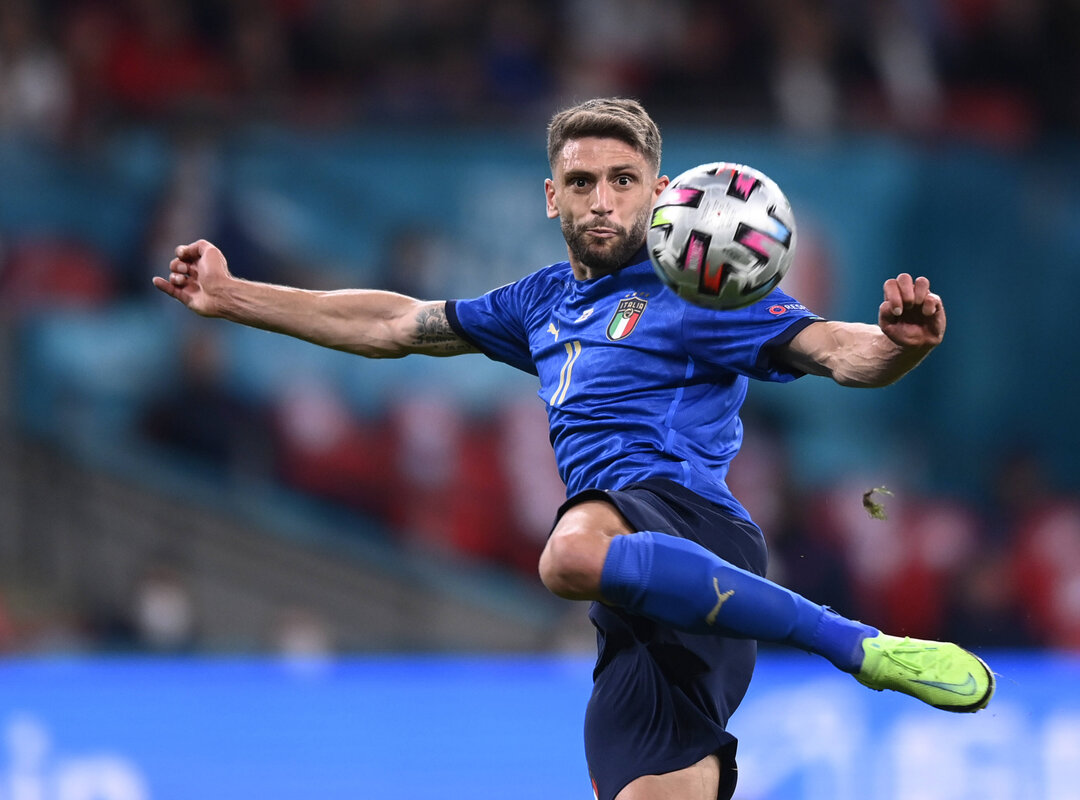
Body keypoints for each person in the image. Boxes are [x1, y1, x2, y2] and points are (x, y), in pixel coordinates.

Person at [153, 97, 993, 800]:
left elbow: (839, 352)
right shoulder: (538, 303)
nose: (602, 200)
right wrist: (234, 297)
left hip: (687, 528)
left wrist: (902, 346)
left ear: (661, 194)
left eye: (623, 182)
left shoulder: (697, 293)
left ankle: (857, 647)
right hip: (652, 609)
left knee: (567, 554)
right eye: (582, 182)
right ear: (550, 197)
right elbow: (395, 323)